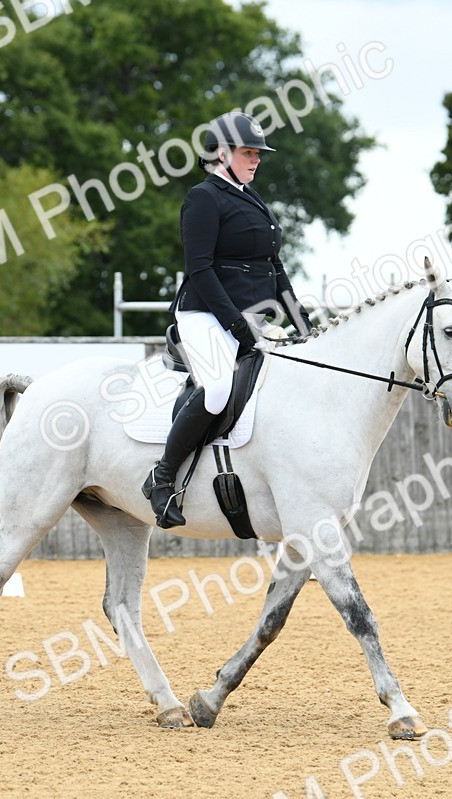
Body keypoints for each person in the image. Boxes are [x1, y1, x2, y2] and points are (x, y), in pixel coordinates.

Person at [142, 111, 314, 528]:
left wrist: (302, 322)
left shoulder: (251, 197)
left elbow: (274, 266)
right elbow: (199, 269)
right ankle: (162, 476)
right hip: (204, 313)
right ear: (221, 153)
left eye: (258, 153)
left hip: (252, 318)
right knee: (218, 388)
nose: (257, 159)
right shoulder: (203, 197)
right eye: (248, 152)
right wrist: (237, 326)